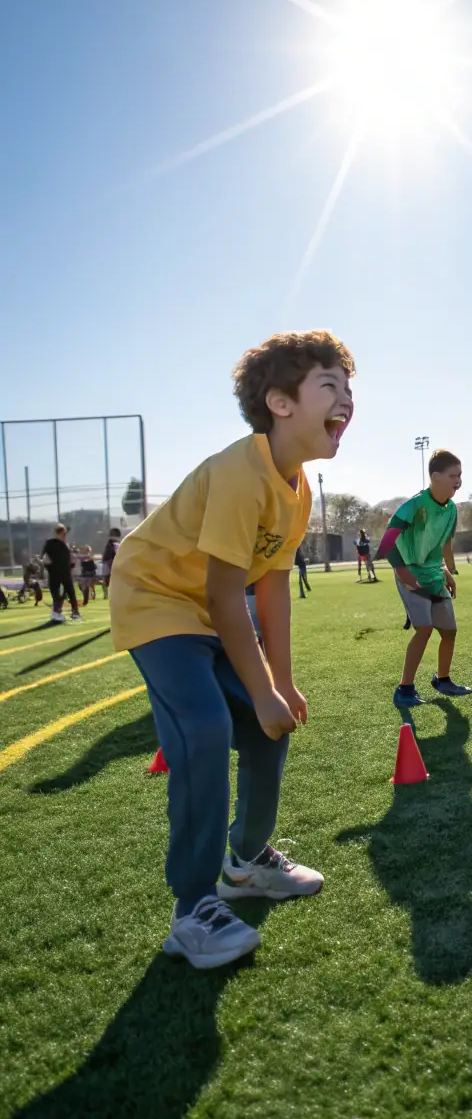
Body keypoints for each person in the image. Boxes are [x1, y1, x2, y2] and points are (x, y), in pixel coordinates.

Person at [110, 329, 355, 969]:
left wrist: (282, 683)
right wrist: (264, 687)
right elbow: (226, 599)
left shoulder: (297, 489)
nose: (347, 400)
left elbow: (271, 589)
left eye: (349, 388)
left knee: (269, 726)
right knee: (205, 728)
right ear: (280, 404)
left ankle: (244, 865)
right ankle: (192, 911)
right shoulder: (240, 472)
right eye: (330, 386)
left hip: (206, 607)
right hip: (155, 597)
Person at [376, 449, 471, 708]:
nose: (458, 481)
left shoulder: (451, 509)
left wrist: (446, 571)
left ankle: (442, 680)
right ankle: (404, 689)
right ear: (435, 477)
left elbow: (439, 545)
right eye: (453, 475)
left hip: (434, 575)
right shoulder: (415, 505)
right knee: (425, 629)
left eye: (460, 475)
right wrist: (402, 573)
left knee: (449, 631)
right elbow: (386, 543)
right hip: (410, 576)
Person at [42, 524, 80, 623]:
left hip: (58, 573)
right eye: (64, 534)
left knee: (62, 594)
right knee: (66, 593)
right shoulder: (59, 545)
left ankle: (60, 613)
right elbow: (46, 558)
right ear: (61, 533)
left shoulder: (52, 544)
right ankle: (67, 613)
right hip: (61, 573)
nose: (65, 536)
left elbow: (45, 559)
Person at [100, 528, 121, 597]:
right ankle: (107, 593)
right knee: (108, 579)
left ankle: (107, 593)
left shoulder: (112, 545)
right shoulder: (114, 545)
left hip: (110, 562)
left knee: (108, 579)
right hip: (110, 562)